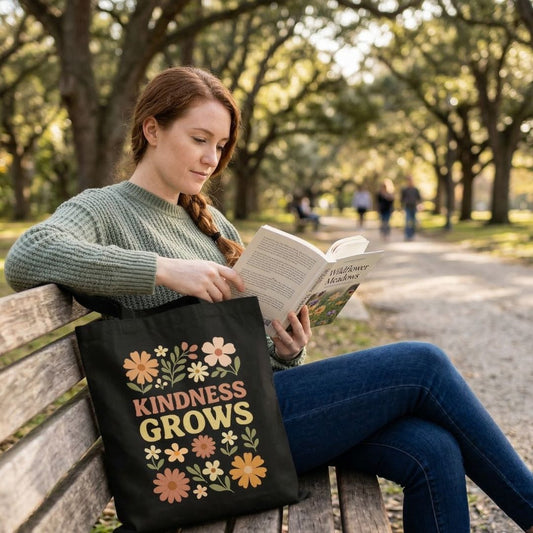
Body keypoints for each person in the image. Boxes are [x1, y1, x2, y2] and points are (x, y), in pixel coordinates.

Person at [4, 67, 532, 533]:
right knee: (423, 364)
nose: (212, 159)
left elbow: (244, 337)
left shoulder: (208, 220)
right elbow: (27, 257)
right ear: (151, 129)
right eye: (199, 139)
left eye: (220, 145)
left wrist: (287, 348)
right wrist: (165, 270)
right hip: (197, 432)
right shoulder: (103, 209)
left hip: (248, 406)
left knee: (431, 450)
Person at [400, 175, 422, 240]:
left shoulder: (415, 189)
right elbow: (402, 199)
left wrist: (420, 205)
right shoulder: (405, 190)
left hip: (414, 207)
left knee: (413, 222)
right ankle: (407, 235)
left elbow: (419, 199)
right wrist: (401, 208)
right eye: (408, 180)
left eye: (411, 180)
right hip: (407, 207)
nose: (410, 182)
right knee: (407, 221)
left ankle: (412, 235)